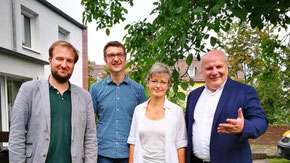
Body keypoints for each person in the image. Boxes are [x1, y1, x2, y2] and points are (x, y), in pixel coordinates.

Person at [9, 41, 97, 163]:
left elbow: (90, 138)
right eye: (59, 59)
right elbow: (17, 135)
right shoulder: (28, 90)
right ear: (50, 61)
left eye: (69, 61)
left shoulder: (85, 97)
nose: (64, 65)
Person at [185, 50, 268, 163]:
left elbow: (261, 121)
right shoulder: (193, 96)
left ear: (226, 68)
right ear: (202, 71)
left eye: (219, 67)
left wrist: (244, 127)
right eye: (209, 68)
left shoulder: (244, 92)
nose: (214, 72)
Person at [90, 41, 147, 162]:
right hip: (103, 154)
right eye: (111, 55)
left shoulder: (138, 90)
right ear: (105, 60)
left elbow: (144, 124)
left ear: (125, 58)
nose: (116, 59)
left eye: (119, 55)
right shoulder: (95, 89)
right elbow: (90, 124)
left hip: (130, 153)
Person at [128, 62, 187, 163]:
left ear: (168, 85)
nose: (158, 86)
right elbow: (133, 142)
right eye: (154, 81)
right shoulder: (139, 110)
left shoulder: (176, 111)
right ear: (148, 83)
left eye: (163, 82)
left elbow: (180, 146)